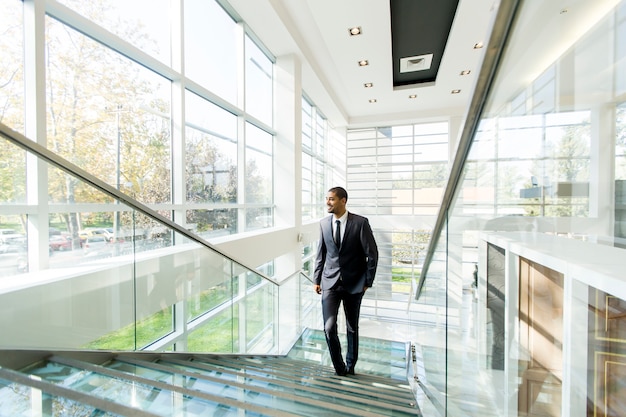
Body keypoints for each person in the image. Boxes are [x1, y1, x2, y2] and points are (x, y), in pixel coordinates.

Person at [313, 186, 378, 376]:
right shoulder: (324, 223)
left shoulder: (360, 223)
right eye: (327, 199)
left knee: (352, 327)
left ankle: (351, 364)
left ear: (343, 201)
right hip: (329, 283)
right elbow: (321, 254)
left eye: (331, 199)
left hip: (354, 284)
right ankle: (339, 367)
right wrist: (316, 279)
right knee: (329, 327)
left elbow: (372, 254)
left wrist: (367, 281)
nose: (327, 202)